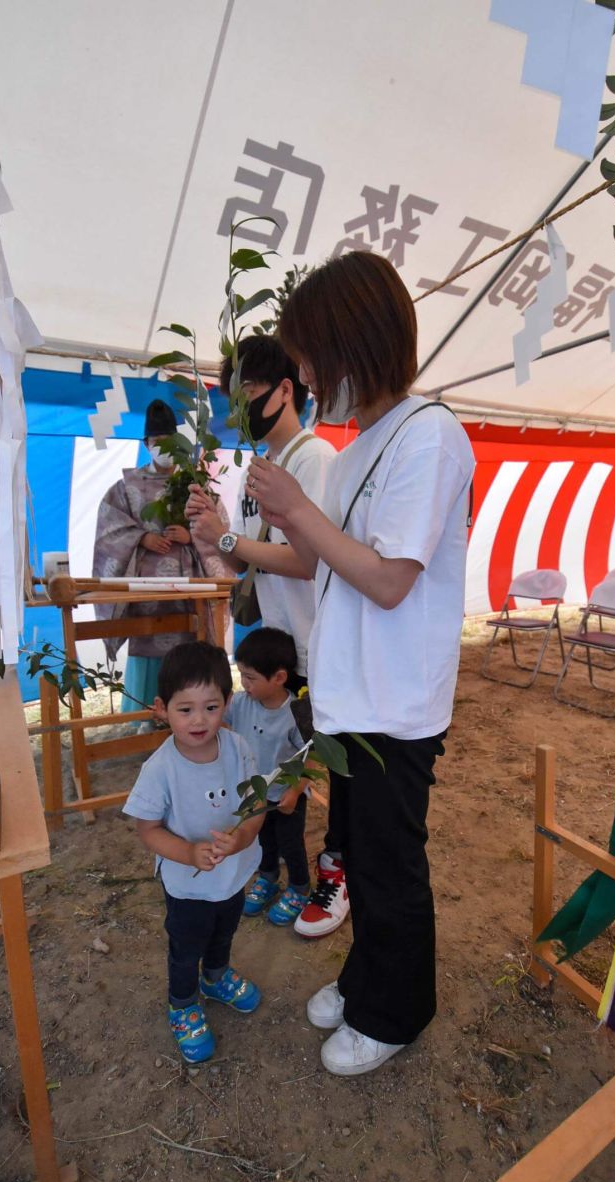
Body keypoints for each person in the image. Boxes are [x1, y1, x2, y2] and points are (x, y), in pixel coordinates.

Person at [245, 250, 475, 1076]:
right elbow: (314, 562)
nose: (304, 377)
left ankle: (396, 1010)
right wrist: (253, 530)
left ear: (355, 341)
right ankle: (365, 975)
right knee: (359, 854)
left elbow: (385, 579)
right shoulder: (357, 448)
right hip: (350, 698)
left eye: (308, 358)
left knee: (388, 860)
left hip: (395, 700)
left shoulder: (430, 437)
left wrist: (298, 507)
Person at [185, 335, 350, 939]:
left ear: (286, 390)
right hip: (266, 647)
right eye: (235, 397)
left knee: (297, 773)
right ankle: (274, 868)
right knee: (264, 765)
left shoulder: (314, 460)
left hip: (304, 652)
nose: (242, 409)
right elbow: (243, 565)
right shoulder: (257, 472)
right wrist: (213, 534)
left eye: (249, 392)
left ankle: (319, 875)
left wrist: (231, 541)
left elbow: (307, 559)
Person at [122, 641, 265, 1064]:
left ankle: (216, 977)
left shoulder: (237, 748)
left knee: (225, 930)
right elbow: (147, 829)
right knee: (186, 946)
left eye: (211, 707)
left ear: (228, 702)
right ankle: (182, 1004)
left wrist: (243, 838)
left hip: (233, 874)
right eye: (185, 710)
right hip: (187, 885)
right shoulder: (160, 768)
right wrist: (187, 852)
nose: (199, 720)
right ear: (161, 708)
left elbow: (256, 805)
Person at [92, 398, 228, 711]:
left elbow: (221, 528)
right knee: (148, 644)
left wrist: (191, 536)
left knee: (190, 645)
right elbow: (108, 528)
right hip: (147, 592)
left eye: (169, 442)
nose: (162, 448)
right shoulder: (126, 487)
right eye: (156, 442)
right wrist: (142, 537)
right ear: (145, 443)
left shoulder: (195, 483)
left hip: (187, 588)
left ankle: (190, 711)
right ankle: (144, 712)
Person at [226, 627, 311, 926]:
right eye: (241, 675)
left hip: (286, 797)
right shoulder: (239, 704)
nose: (243, 683)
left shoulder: (295, 712)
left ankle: (300, 887)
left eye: (250, 677)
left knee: (290, 843)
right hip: (255, 794)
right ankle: (268, 878)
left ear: (278, 678)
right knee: (262, 841)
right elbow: (210, 714)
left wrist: (296, 790)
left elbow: (310, 755)